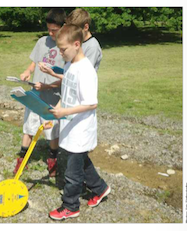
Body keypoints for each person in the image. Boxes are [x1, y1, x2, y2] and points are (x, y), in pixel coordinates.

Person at [46, 24, 110, 220]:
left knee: (72, 173)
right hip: (69, 126)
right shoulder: (70, 64)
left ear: (76, 44)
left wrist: (65, 111)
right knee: (81, 163)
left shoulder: (86, 70)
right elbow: (66, 92)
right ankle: (100, 188)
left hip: (80, 130)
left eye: (63, 49)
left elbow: (91, 104)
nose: (60, 53)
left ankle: (70, 206)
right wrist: (56, 110)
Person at [13, 8, 66, 177]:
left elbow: (67, 78)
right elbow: (34, 63)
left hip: (52, 98)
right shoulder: (42, 41)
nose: (50, 33)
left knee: (52, 132)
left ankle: (52, 161)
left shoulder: (66, 47)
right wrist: (27, 72)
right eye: (48, 29)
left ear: (63, 27)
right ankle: (21, 160)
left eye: (54, 30)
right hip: (34, 96)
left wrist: (47, 86)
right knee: (29, 127)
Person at [39, 8, 102, 79]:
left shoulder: (92, 46)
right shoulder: (75, 40)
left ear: (86, 27)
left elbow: (82, 76)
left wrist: (53, 74)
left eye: (75, 30)